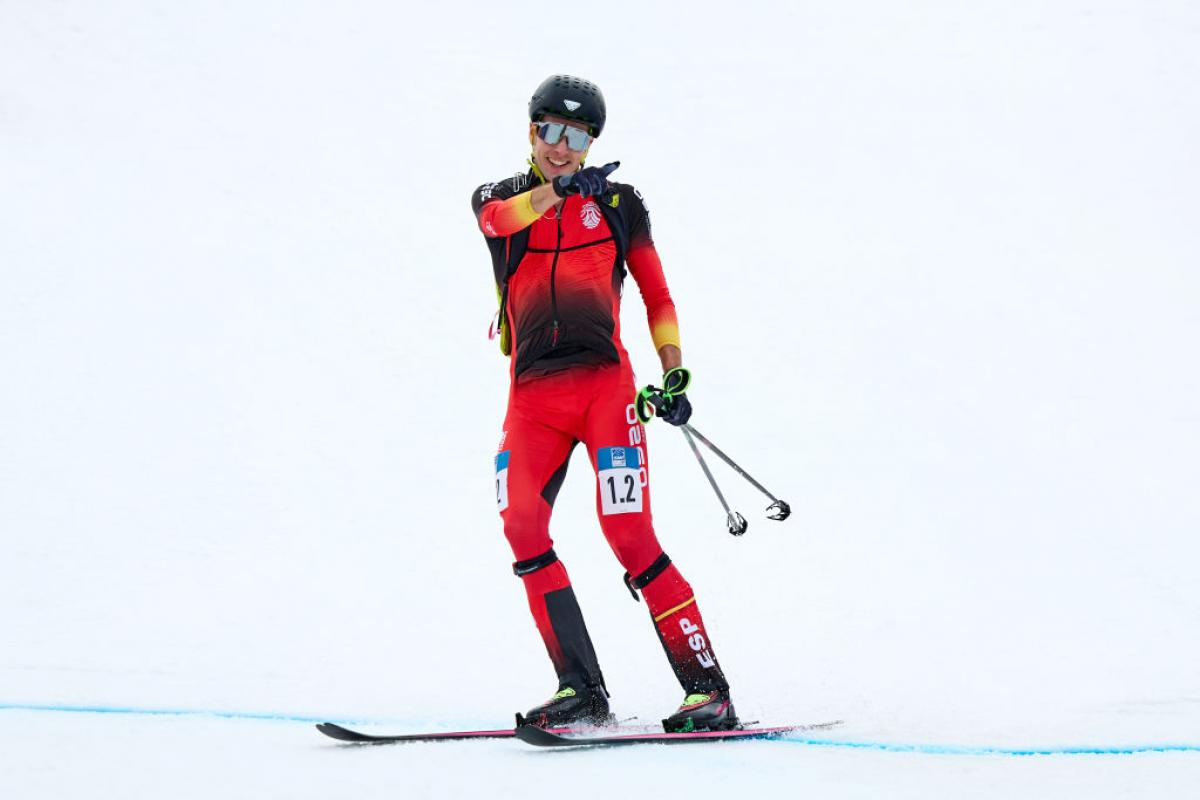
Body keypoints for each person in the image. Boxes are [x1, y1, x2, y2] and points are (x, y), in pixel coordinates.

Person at [471, 74, 737, 733]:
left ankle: (709, 689)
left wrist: (673, 374)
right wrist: (558, 192)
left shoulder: (620, 204)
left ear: (592, 141)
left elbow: (658, 297)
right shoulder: (497, 199)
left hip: (605, 392)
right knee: (522, 526)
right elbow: (502, 220)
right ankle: (580, 691)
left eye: (577, 135)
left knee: (628, 533)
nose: (561, 147)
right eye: (549, 131)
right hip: (534, 401)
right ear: (531, 131)